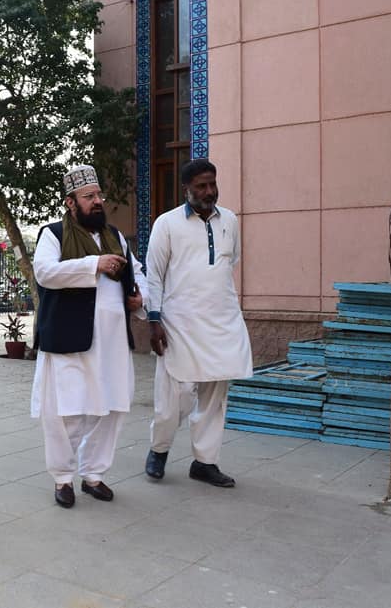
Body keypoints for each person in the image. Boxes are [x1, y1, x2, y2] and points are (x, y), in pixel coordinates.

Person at [31, 164, 147, 508]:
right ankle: (63, 478)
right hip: (71, 339)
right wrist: (93, 264)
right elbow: (45, 272)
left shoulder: (115, 236)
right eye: (88, 196)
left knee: (112, 409)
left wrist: (141, 299)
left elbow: (137, 272)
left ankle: (94, 474)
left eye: (99, 195)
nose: (97, 201)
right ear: (70, 202)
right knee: (68, 412)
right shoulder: (53, 234)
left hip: (112, 342)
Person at [144, 159, 252, 487]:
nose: (209, 191)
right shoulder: (166, 224)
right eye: (201, 186)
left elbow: (229, 262)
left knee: (214, 396)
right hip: (179, 323)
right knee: (173, 396)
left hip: (222, 321)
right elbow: (154, 275)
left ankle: (205, 462)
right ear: (186, 189)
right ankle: (159, 450)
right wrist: (153, 320)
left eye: (212, 184)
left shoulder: (229, 220)